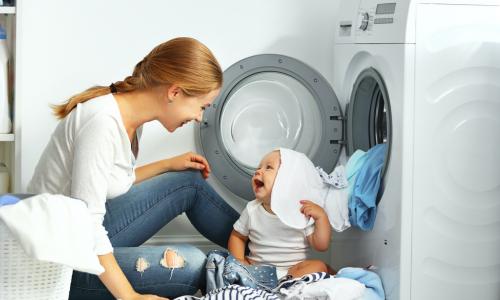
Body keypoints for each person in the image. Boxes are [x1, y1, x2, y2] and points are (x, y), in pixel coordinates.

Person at [27, 37, 240, 300]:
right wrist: (131, 297)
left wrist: (167, 165)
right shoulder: (102, 123)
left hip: (78, 235)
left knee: (188, 181)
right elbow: (87, 225)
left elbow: (106, 182)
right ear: (174, 92)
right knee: (192, 264)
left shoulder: (128, 115)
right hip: (59, 262)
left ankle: (266, 250)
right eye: (202, 107)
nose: (199, 117)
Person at [227, 149, 333, 280]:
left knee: (319, 266)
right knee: (224, 264)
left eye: (268, 167)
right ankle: (265, 283)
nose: (258, 171)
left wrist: (321, 217)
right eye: (259, 167)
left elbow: (321, 246)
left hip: (293, 270)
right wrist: (239, 261)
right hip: (258, 269)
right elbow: (237, 237)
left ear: (287, 179)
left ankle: (284, 283)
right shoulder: (252, 209)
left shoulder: (301, 211)